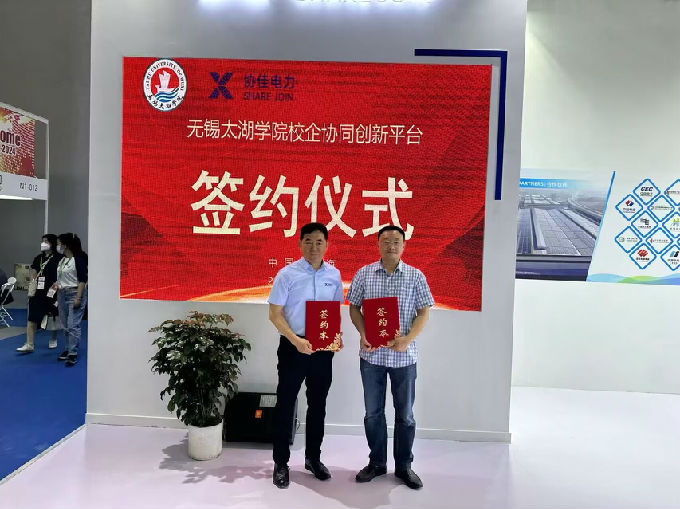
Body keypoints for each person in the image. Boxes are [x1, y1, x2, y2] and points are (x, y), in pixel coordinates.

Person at [347, 225, 434, 490]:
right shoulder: (364, 273)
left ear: (404, 245)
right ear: (378, 244)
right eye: (386, 241)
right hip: (371, 357)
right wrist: (363, 333)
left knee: (405, 415)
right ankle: (377, 463)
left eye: (397, 241)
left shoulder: (415, 276)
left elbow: (423, 312)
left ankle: (404, 466)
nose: (391, 246)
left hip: (403, 358)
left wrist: (407, 339)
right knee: (373, 413)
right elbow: (354, 307)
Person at [267, 222, 344, 489]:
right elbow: (274, 314)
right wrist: (296, 340)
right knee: (285, 404)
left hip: (322, 351)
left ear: (327, 245)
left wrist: (336, 336)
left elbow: (333, 311)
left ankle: (313, 458)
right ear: (300, 244)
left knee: (318, 405)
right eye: (308, 241)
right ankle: (281, 463)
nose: (314, 246)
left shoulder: (334, 275)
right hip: (293, 348)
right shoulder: (286, 275)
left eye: (319, 241)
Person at [16, 234, 62, 353]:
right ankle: (29, 344)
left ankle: (53, 337)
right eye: (42, 241)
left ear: (52, 243)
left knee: (53, 316)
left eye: (46, 241)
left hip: (52, 290)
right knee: (32, 317)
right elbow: (34, 271)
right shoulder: (38, 258)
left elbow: (61, 274)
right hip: (38, 291)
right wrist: (32, 282)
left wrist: (57, 286)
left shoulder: (59, 258)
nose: (43, 243)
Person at [53, 233, 88, 367]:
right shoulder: (62, 260)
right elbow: (61, 277)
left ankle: (72, 352)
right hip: (62, 293)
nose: (58, 246)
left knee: (73, 324)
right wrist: (57, 284)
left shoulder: (78, 260)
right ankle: (67, 349)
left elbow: (82, 280)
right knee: (65, 324)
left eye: (59, 243)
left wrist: (78, 297)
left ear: (66, 245)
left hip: (75, 293)